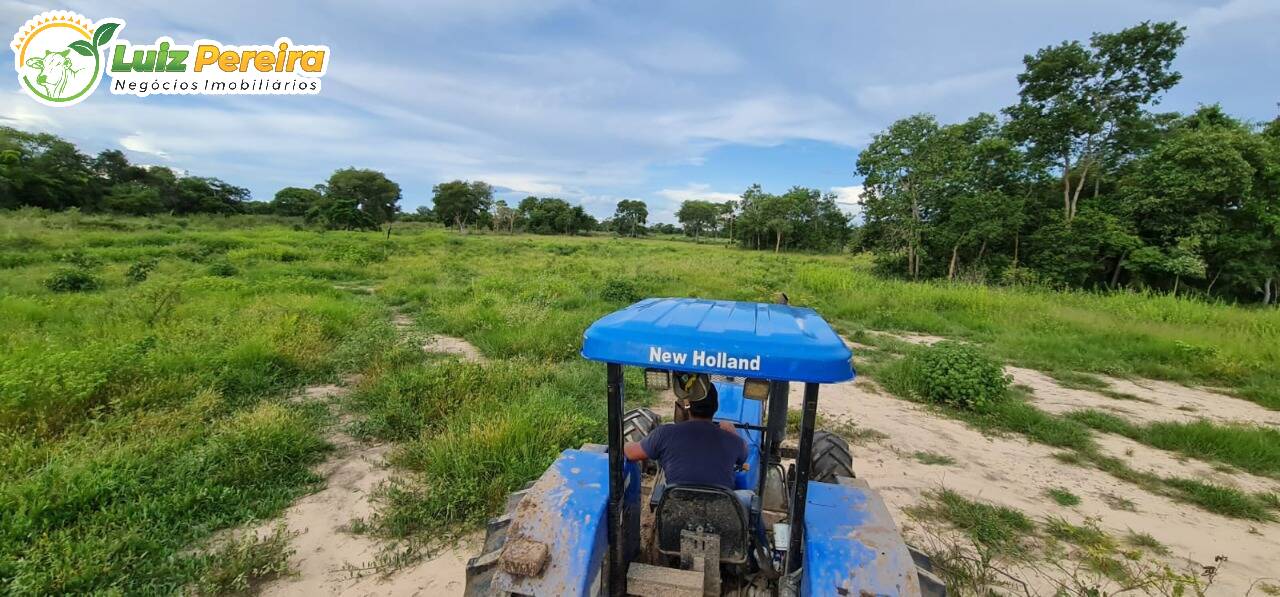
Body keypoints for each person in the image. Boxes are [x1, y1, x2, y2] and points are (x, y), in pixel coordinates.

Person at [623, 388, 747, 490]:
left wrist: (626, 444)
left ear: (688, 406)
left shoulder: (664, 433)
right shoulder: (732, 440)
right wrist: (732, 432)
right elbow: (744, 456)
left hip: (676, 509)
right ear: (715, 407)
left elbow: (630, 453)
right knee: (749, 497)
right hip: (720, 511)